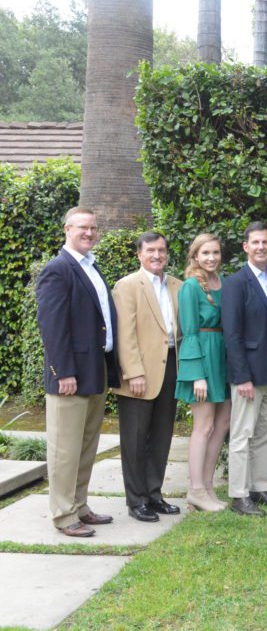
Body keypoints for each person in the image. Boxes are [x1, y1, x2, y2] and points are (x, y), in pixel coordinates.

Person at [37, 207, 120, 537]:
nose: (89, 232)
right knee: (64, 449)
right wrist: (63, 373)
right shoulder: (57, 269)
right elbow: (53, 328)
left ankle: (79, 504)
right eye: (82, 227)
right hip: (70, 375)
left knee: (86, 445)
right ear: (67, 229)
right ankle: (63, 513)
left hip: (94, 368)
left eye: (94, 227)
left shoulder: (91, 267)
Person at [110, 231, 183, 523]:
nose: (157, 256)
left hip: (171, 367)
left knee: (162, 436)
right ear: (139, 254)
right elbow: (125, 334)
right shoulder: (127, 286)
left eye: (162, 251)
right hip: (139, 372)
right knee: (136, 439)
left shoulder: (177, 285)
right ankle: (136, 500)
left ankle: (154, 494)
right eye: (151, 251)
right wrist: (134, 373)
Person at [221, 222, 267, 517]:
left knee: (266, 432)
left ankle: (259, 488)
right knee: (242, 434)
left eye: (266, 242)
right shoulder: (236, 283)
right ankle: (238, 495)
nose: (261, 247)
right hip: (248, 372)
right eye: (255, 242)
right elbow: (231, 334)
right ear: (246, 247)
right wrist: (241, 376)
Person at [176, 233, 231, 512]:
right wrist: (197, 373)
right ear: (195, 256)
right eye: (205, 253)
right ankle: (196, 489)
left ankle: (208, 486)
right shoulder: (190, 287)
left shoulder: (222, 283)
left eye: (216, 253)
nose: (211, 258)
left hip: (222, 358)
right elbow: (189, 332)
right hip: (203, 360)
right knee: (204, 426)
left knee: (222, 425)